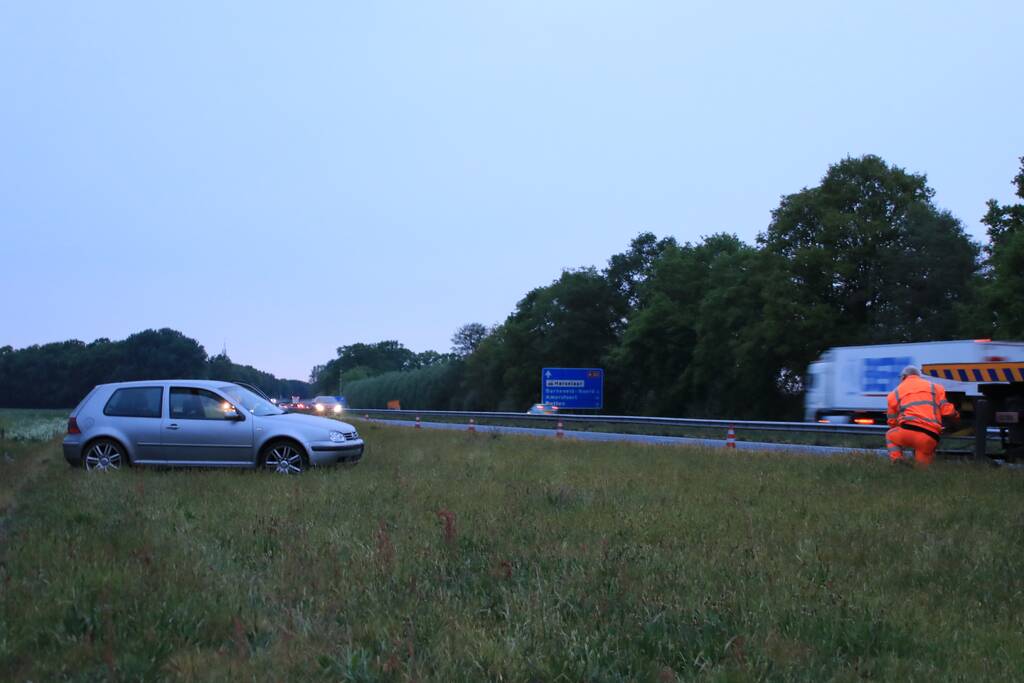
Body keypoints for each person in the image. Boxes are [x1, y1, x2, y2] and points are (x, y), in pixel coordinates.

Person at [886, 365, 958, 468]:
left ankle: (897, 460)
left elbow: (892, 422)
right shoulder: (935, 387)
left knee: (890, 435)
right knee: (922, 470)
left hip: (908, 431)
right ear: (919, 376)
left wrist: (900, 428)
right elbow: (947, 411)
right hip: (930, 436)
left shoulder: (894, 393)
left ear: (903, 377)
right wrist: (956, 416)